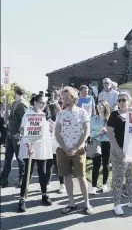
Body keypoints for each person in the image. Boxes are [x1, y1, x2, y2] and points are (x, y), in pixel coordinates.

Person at [54, 86, 93, 215]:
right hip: (63, 151)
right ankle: (71, 202)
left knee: (81, 176)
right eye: (62, 96)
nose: (63, 99)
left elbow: (86, 131)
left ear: (73, 97)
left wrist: (77, 146)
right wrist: (65, 148)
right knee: (67, 176)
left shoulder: (82, 112)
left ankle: (87, 203)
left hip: (79, 151)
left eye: (65, 96)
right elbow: (57, 133)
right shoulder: (60, 114)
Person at [106, 91, 132, 215]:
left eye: (123, 100)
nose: (121, 102)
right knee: (118, 177)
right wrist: (117, 149)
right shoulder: (114, 115)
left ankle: (131, 200)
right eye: (119, 100)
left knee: (131, 176)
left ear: (129, 101)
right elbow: (110, 133)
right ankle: (116, 204)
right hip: (119, 151)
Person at [17, 94, 53, 212]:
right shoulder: (28, 114)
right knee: (28, 172)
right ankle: (22, 199)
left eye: (44, 103)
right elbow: (24, 131)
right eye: (40, 102)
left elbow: (46, 131)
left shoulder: (44, 115)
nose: (43, 105)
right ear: (35, 102)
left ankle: (44, 195)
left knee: (43, 172)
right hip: (30, 147)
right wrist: (28, 147)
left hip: (41, 146)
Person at [0, 85, 28, 188]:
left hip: (16, 135)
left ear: (16, 92)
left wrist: (19, 133)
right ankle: (4, 178)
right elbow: (9, 118)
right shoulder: (14, 103)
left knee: (19, 158)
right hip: (10, 134)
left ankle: (22, 179)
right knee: (8, 157)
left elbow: (24, 120)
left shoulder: (22, 104)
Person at [89, 100, 112, 195]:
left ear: (105, 107)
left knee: (106, 165)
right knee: (96, 164)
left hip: (107, 142)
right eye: (98, 105)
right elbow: (90, 132)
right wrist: (99, 132)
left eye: (101, 106)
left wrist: (107, 130)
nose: (99, 107)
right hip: (96, 142)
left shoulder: (109, 119)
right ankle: (94, 186)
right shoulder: (93, 118)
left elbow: (113, 132)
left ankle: (104, 185)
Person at [46, 102, 65, 193]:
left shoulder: (59, 119)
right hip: (49, 145)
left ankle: (62, 184)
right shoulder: (47, 119)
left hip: (58, 145)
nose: (47, 111)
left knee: (59, 166)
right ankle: (47, 184)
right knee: (49, 165)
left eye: (49, 109)